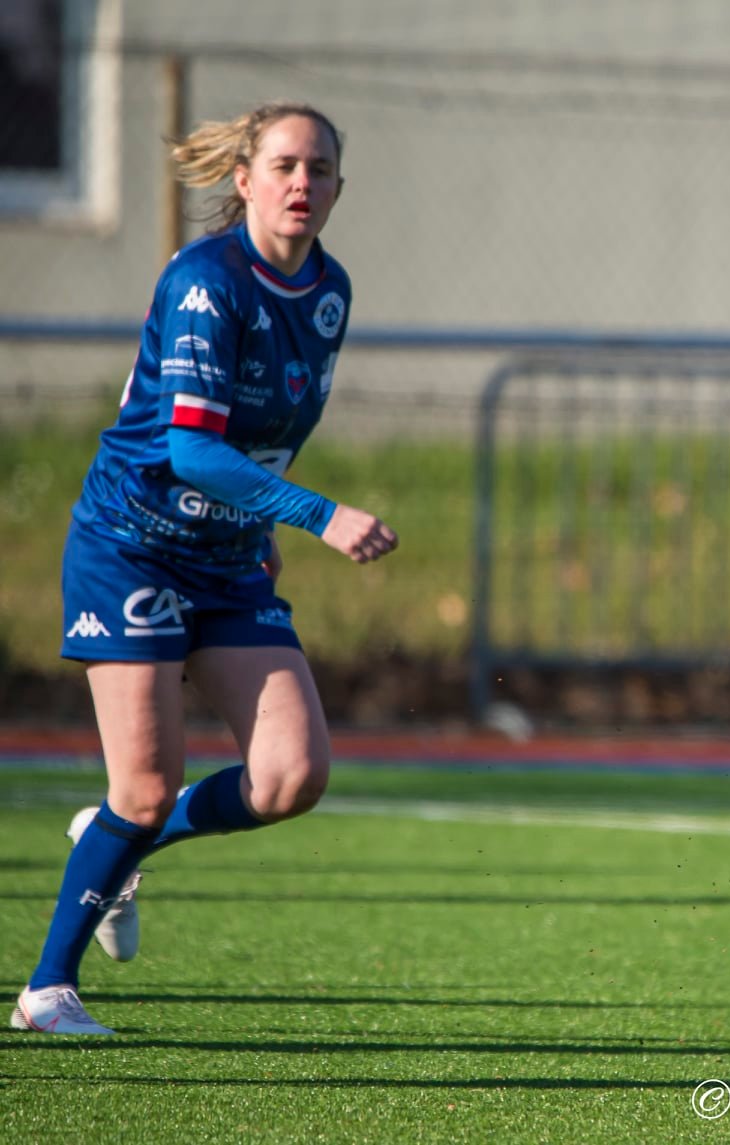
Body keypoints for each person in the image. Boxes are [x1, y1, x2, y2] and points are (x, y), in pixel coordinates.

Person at [12, 102, 397, 1036]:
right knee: (140, 786)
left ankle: (122, 834)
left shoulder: (332, 290)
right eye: (284, 165)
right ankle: (47, 990)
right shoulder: (204, 281)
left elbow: (273, 431)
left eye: (319, 169)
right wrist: (316, 516)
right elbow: (190, 449)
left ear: (340, 188)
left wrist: (259, 520)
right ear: (245, 180)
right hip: (132, 543)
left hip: (226, 556)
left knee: (291, 775)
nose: (302, 182)